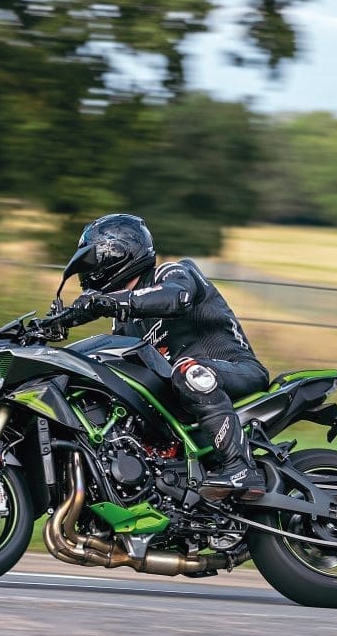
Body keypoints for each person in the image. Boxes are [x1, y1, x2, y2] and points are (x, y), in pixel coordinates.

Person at [61, 214, 268, 500]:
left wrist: (109, 302)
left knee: (188, 372)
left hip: (234, 370)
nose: (90, 270)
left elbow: (175, 297)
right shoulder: (125, 322)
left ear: (119, 254)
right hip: (181, 395)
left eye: (95, 260)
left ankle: (240, 468)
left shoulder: (172, 273)